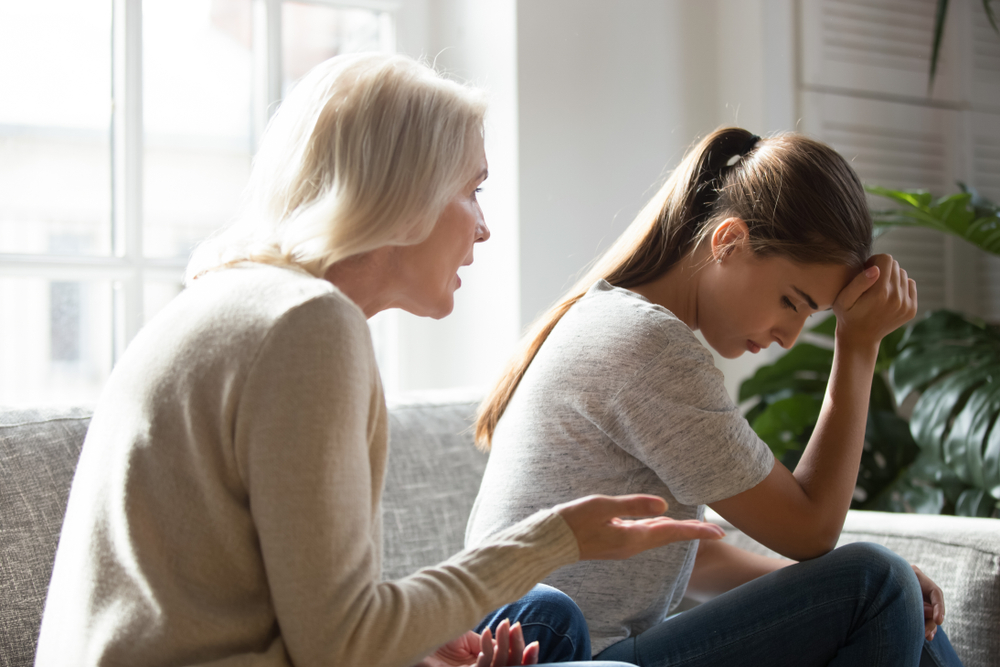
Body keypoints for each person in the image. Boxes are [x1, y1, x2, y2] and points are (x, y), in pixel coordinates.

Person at [33, 54, 727, 667]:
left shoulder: (233, 297)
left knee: (550, 614)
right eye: (473, 189)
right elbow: (340, 647)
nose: (483, 227)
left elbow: (300, 613)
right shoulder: (309, 325)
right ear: (404, 194)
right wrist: (551, 538)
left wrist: (409, 648)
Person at [466, 128, 966, 667]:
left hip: (586, 645)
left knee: (893, 600)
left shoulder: (610, 320)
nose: (789, 336)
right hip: (564, 655)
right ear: (728, 241)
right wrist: (858, 345)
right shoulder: (647, 345)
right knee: (878, 581)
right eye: (790, 302)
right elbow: (811, 530)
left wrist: (825, 594)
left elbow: (694, 560)